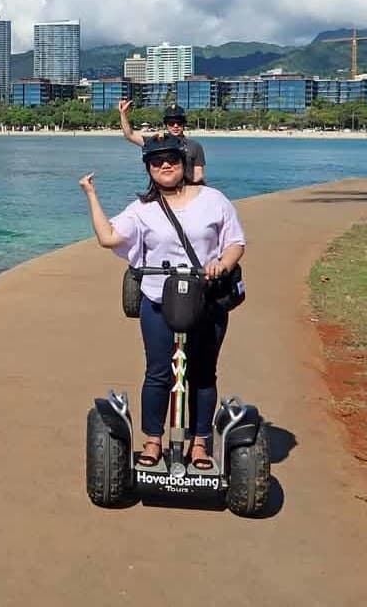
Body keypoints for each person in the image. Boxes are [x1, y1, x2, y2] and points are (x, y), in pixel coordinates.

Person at [78, 134, 246, 470]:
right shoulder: (142, 209)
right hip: (158, 300)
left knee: (202, 373)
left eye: (171, 159)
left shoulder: (214, 200)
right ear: (149, 169)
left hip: (206, 299)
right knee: (158, 372)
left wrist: (222, 265)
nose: (165, 165)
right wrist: (91, 194)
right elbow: (108, 237)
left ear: (183, 163)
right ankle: (153, 440)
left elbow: (235, 242)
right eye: (156, 161)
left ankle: (199, 444)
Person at [120, 100, 206, 183]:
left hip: (186, 188)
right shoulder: (156, 142)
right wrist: (123, 114)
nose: (175, 126)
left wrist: (181, 188)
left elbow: (198, 175)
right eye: (171, 123)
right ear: (166, 125)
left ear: (183, 124)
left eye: (179, 123)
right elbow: (130, 135)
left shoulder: (195, 146)